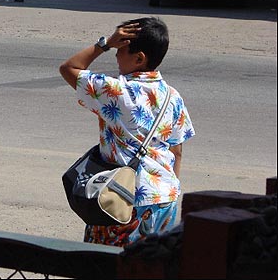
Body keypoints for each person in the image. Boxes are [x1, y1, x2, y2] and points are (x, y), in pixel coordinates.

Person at [59, 17, 195, 247]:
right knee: (155, 267)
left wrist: (104, 43)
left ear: (139, 58)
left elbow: (69, 68)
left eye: (120, 49)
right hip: (165, 198)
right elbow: (177, 151)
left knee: (106, 266)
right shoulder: (173, 96)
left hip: (121, 199)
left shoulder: (116, 90)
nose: (115, 55)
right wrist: (164, 188)